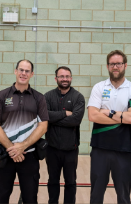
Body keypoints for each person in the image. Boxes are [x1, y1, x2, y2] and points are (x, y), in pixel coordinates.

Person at [87, 50, 131, 204]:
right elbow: (92, 115)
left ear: (125, 65)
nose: (115, 67)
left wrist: (108, 112)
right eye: (112, 64)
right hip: (100, 149)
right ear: (107, 66)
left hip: (124, 150)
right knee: (96, 195)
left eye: (119, 63)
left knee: (124, 196)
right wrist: (122, 117)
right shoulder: (99, 87)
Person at [0, 59, 49, 204]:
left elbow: (43, 126)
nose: (23, 73)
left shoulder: (39, 98)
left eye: (27, 71)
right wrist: (12, 148)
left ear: (32, 74)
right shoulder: (2, 95)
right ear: (15, 71)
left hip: (29, 156)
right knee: (2, 197)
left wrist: (22, 146)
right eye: (21, 70)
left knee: (30, 198)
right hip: (5, 155)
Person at [44, 66, 85, 204]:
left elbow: (75, 120)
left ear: (71, 78)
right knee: (53, 181)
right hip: (52, 148)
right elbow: (44, 116)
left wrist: (54, 120)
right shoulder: (48, 96)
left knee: (70, 182)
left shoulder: (78, 97)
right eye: (61, 76)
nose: (65, 79)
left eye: (67, 76)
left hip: (71, 150)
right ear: (56, 79)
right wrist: (64, 113)